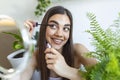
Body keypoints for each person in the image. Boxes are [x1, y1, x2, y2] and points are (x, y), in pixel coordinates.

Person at [24, 6, 97, 80]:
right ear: (44, 28)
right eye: (53, 26)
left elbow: (106, 76)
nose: (59, 34)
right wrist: (24, 39)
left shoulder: (78, 50)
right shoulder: (36, 55)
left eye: (66, 28)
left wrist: (67, 70)